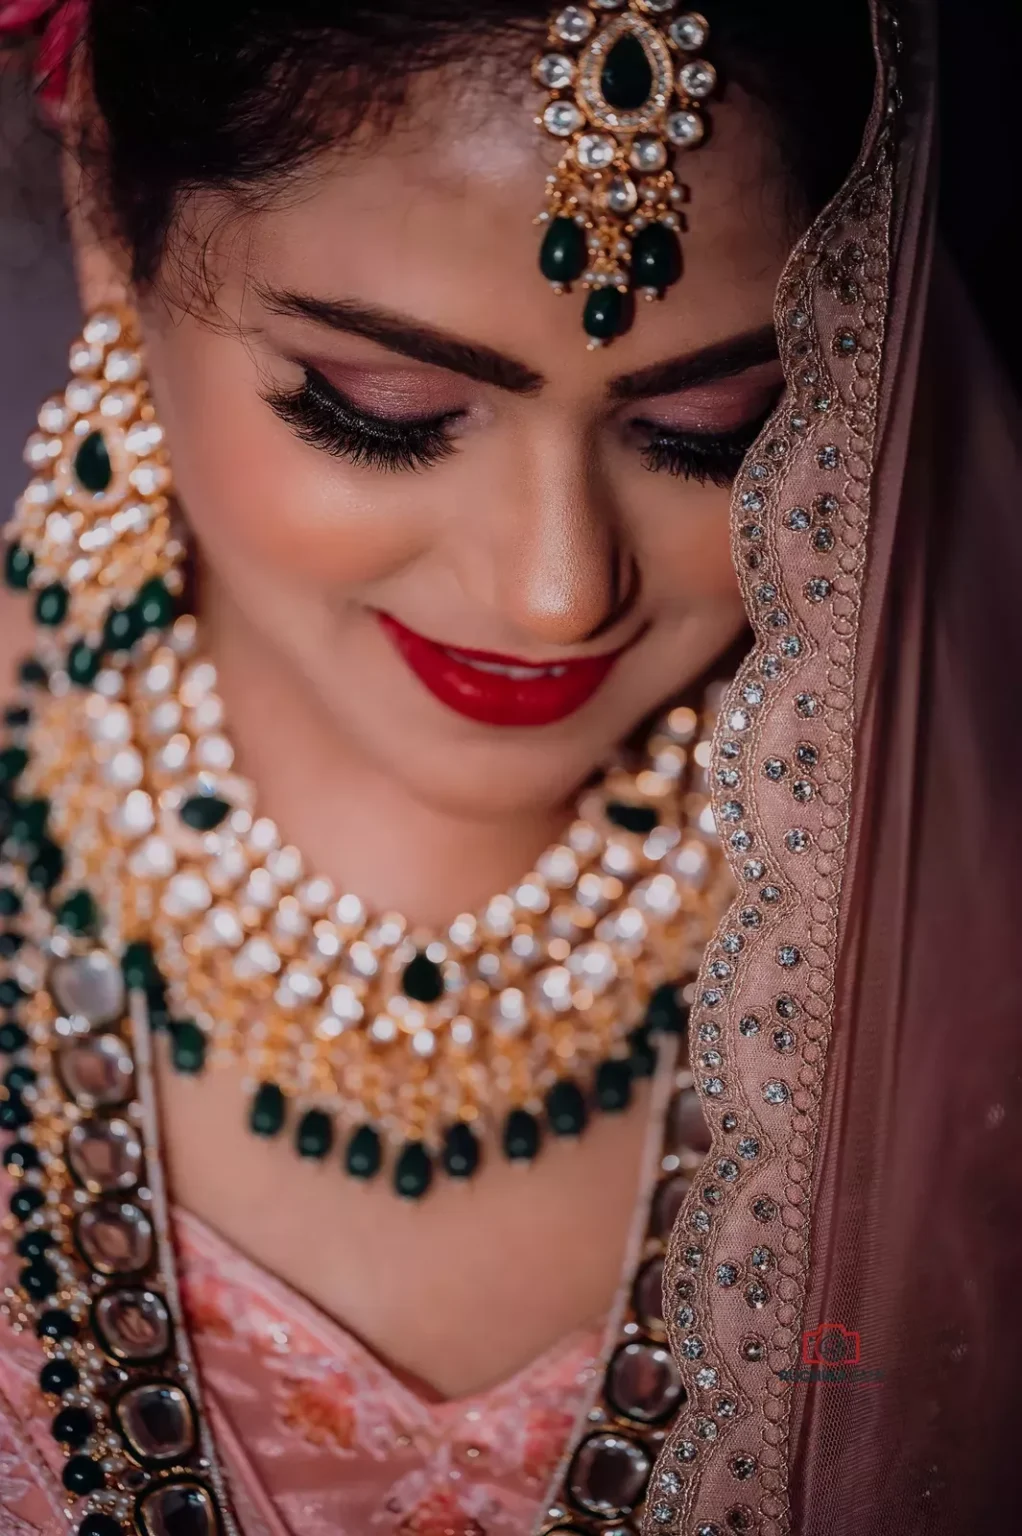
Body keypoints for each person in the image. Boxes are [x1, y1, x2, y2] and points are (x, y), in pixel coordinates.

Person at [0, 3, 1018, 1534]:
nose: (556, 591)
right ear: (106, 207)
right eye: (389, 411)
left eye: (709, 429)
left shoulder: (946, 936)